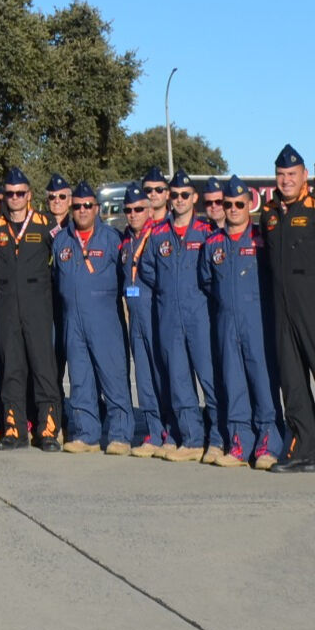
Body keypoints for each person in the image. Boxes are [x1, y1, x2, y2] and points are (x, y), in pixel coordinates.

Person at [258, 146, 315, 475]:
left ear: (304, 176)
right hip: (283, 309)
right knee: (292, 381)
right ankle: (302, 449)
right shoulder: (269, 214)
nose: (286, 180)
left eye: (292, 174)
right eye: (281, 175)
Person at [199, 178, 278, 467]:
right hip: (226, 321)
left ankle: (269, 442)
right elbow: (206, 281)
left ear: (249, 206)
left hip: (257, 320)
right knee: (233, 382)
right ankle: (239, 442)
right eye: (228, 204)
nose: (233, 209)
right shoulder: (213, 243)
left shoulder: (261, 239)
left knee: (262, 381)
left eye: (239, 204)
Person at [54, 182, 130, 455]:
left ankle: (120, 435)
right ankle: (87, 433)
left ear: (97, 208)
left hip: (104, 318)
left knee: (113, 377)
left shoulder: (111, 239)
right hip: (72, 320)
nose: (82, 210)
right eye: (77, 206)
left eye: (88, 205)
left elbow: (127, 277)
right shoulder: (61, 240)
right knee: (80, 378)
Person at [0, 170, 61, 450]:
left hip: (37, 305)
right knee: (11, 369)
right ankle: (14, 429)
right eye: (10, 193)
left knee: (43, 368)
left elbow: (61, 260)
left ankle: (48, 430)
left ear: (29, 194)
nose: (15, 198)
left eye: (20, 193)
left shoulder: (45, 224)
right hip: (7, 306)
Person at [154, 176, 215, 462]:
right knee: (178, 380)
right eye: (175, 194)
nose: (179, 199)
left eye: (185, 195)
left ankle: (220, 438)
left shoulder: (206, 232)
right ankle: (191, 439)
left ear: (194, 198)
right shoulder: (158, 234)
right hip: (170, 314)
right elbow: (149, 271)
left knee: (211, 378)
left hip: (199, 314)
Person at [119, 175, 172, 458]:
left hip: (156, 314)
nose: (134, 214)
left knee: (165, 375)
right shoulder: (126, 241)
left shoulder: (159, 236)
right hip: (136, 317)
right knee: (144, 376)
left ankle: (173, 431)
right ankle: (153, 430)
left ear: (149, 210)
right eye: (129, 210)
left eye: (139, 209)